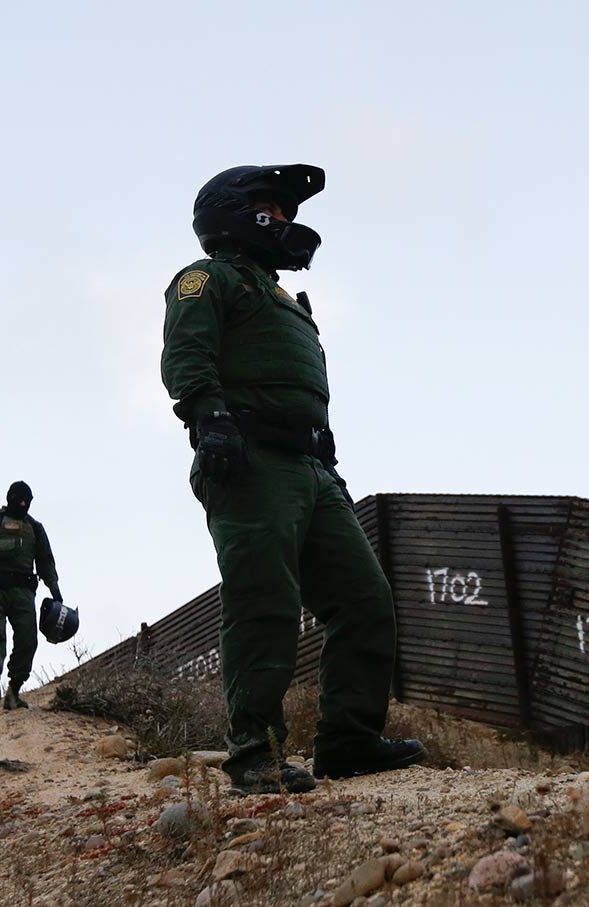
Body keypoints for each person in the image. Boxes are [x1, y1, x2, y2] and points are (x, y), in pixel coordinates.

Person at [160, 163, 425, 794]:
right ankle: (255, 751)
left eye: (286, 211)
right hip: (249, 460)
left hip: (312, 467)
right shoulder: (208, 278)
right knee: (264, 599)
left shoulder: (286, 300)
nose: (285, 220)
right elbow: (186, 353)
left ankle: (348, 741)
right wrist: (209, 417)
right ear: (234, 212)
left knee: (364, 599)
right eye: (273, 208)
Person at [0, 481, 62, 710]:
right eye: (19, 500)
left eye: (27, 501)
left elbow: (45, 562)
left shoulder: (35, 528)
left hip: (24, 594)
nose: (23, 504)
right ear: (9, 498)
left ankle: (14, 690)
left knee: (28, 639)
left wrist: (55, 589)